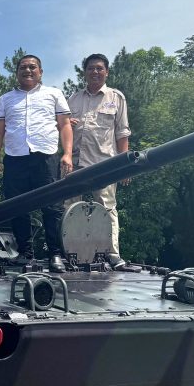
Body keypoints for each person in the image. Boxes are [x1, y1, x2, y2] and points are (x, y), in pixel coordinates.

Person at [0, 55, 72, 272]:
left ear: (40, 72)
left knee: (52, 207)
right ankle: (25, 253)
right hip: (15, 157)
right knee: (17, 206)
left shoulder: (54, 94)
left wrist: (67, 154)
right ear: (16, 73)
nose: (27, 70)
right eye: (23, 67)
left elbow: (64, 125)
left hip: (46, 156)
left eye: (32, 67)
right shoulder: (5, 99)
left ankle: (55, 254)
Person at [67, 54, 131, 268]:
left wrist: (124, 166)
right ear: (84, 72)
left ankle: (112, 254)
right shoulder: (73, 98)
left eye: (99, 68)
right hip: (75, 162)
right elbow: (63, 129)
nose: (95, 72)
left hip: (104, 163)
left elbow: (122, 133)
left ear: (107, 72)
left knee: (107, 207)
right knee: (70, 207)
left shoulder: (116, 97)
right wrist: (66, 124)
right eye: (90, 68)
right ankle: (69, 253)